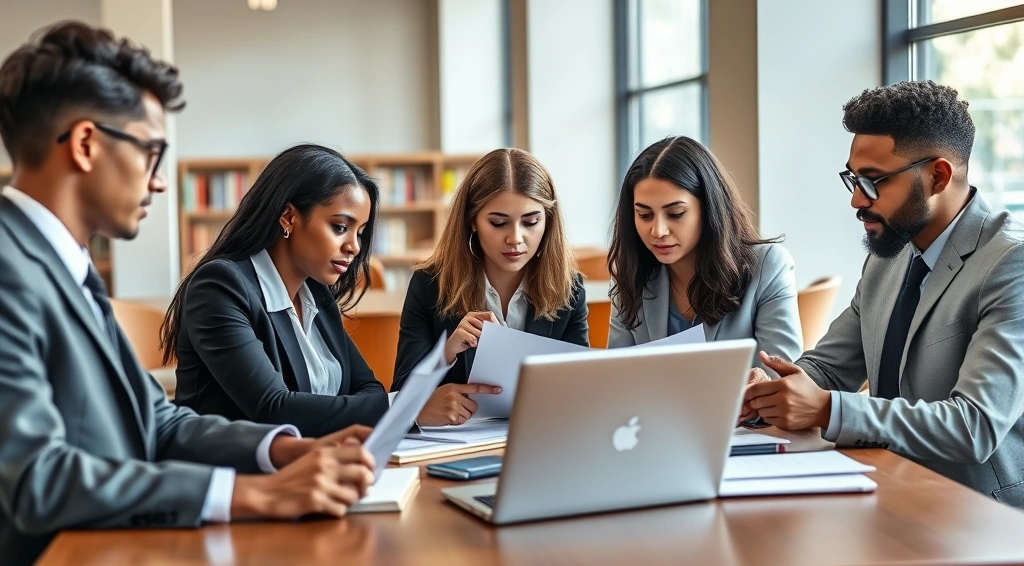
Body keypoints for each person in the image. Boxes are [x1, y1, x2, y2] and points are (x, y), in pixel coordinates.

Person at [0, 22, 376, 566]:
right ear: (85, 144)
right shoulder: (10, 268)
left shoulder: (64, 264)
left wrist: (278, 450)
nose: (157, 182)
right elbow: (38, 478)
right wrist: (251, 495)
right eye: (151, 153)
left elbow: (158, 421)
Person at [742, 80, 1024, 506]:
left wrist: (826, 410)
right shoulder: (889, 254)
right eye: (853, 179)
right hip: (886, 484)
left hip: (981, 512)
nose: (857, 199)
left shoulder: (1010, 264)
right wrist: (770, 390)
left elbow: (974, 427)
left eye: (873, 181)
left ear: (938, 176)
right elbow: (831, 367)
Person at [162, 144, 389, 437]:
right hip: (233, 474)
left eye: (360, 232)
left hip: (316, 461)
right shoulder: (219, 287)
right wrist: (400, 407)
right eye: (340, 227)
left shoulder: (316, 292)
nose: (355, 247)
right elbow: (274, 409)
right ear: (289, 217)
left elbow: (368, 387)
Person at [391, 148, 588, 425]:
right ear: (472, 221)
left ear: (548, 221)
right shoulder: (430, 284)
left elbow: (580, 388)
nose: (516, 238)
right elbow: (399, 393)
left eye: (531, 222)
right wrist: (446, 353)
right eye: (498, 223)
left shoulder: (570, 289)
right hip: (457, 443)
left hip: (540, 435)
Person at [607, 136, 802, 370]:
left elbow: (779, 378)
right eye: (645, 215)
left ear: (710, 209)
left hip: (743, 407)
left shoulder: (768, 266)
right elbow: (619, 377)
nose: (658, 231)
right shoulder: (631, 274)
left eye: (676, 213)